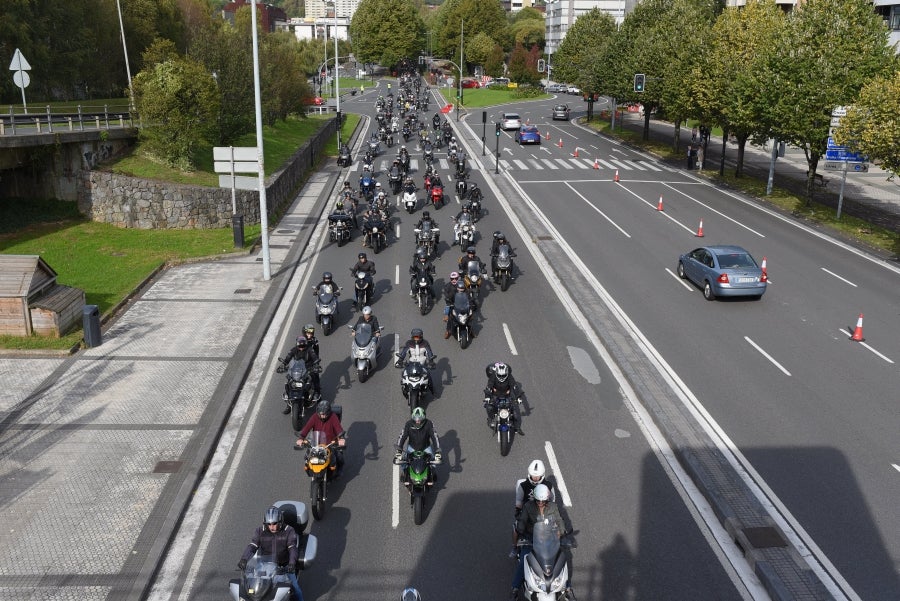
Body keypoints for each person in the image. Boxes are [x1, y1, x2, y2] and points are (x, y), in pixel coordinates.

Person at [510, 484, 572, 600]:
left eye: (543, 501)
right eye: (538, 500)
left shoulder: (553, 507)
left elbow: (559, 520)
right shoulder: (528, 506)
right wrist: (521, 531)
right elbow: (522, 521)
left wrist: (561, 531)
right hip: (531, 539)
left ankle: (567, 588)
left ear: (547, 500)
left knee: (562, 560)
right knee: (524, 560)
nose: (540, 503)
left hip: (550, 539)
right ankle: (515, 589)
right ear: (535, 499)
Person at [238, 506, 305, 601]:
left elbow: (292, 548)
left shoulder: (289, 531)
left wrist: (291, 564)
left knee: (295, 588)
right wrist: (244, 559)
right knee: (254, 587)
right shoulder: (260, 531)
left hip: (284, 566)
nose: (272, 527)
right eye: (269, 524)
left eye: (274, 524)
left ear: (280, 521)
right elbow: (252, 546)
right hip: (266, 565)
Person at [296, 400, 346, 475]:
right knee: (307, 457)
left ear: (328, 412)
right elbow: (307, 427)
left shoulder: (333, 417)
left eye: (324, 414)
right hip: (316, 444)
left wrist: (341, 438)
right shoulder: (314, 417)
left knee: (339, 457)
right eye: (320, 414)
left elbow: (338, 428)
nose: (322, 416)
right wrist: (301, 438)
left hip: (330, 443)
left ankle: (340, 469)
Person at [394, 407, 442, 481]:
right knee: (404, 462)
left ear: (424, 418)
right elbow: (402, 437)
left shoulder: (429, 424)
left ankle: (432, 473)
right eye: (416, 420)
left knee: (433, 464)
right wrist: (399, 451)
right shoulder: (408, 424)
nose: (417, 422)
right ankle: (404, 473)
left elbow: (435, 437)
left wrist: (437, 452)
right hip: (412, 447)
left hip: (426, 448)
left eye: (420, 420)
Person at [483, 361, 524, 435]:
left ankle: (517, 428)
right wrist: (487, 397)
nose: (501, 377)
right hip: (495, 395)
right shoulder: (493, 376)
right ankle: (490, 419)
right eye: (500, 375)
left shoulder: (509, 376)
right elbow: (489, 386)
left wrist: (518, 397)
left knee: (515, 412)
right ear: (497, 373)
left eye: (503, 375)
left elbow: (514, 386)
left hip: (507, 395)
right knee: (489, 407)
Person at [280, 337, 322, 408]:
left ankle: (319, 399)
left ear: (306, 345)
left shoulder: (309, 349)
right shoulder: (294, 350)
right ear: (297, 345)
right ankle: (288, 405)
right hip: (296, 369)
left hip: (308, 369)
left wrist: (316, 365)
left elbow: (314, 357)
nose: (301, 348)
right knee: (289, 382)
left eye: (303, 346)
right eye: (300, 346)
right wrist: (283, 364)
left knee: (314, 380)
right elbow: (288, 357)